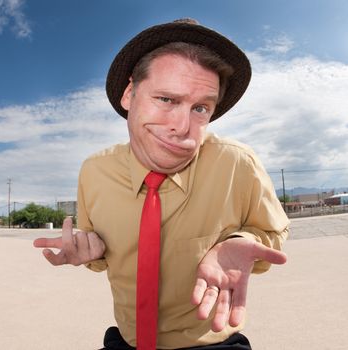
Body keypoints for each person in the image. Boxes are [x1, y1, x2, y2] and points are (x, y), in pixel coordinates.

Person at [34, 18, 289, 350]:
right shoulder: (94, 172)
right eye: (166, 99)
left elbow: (274, 233)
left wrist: (242, 241)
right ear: (129, 94)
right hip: (125, 342)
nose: (182, 127)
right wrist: (91, 252)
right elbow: (99, 253)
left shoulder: (238, 164)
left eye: (200, 108)